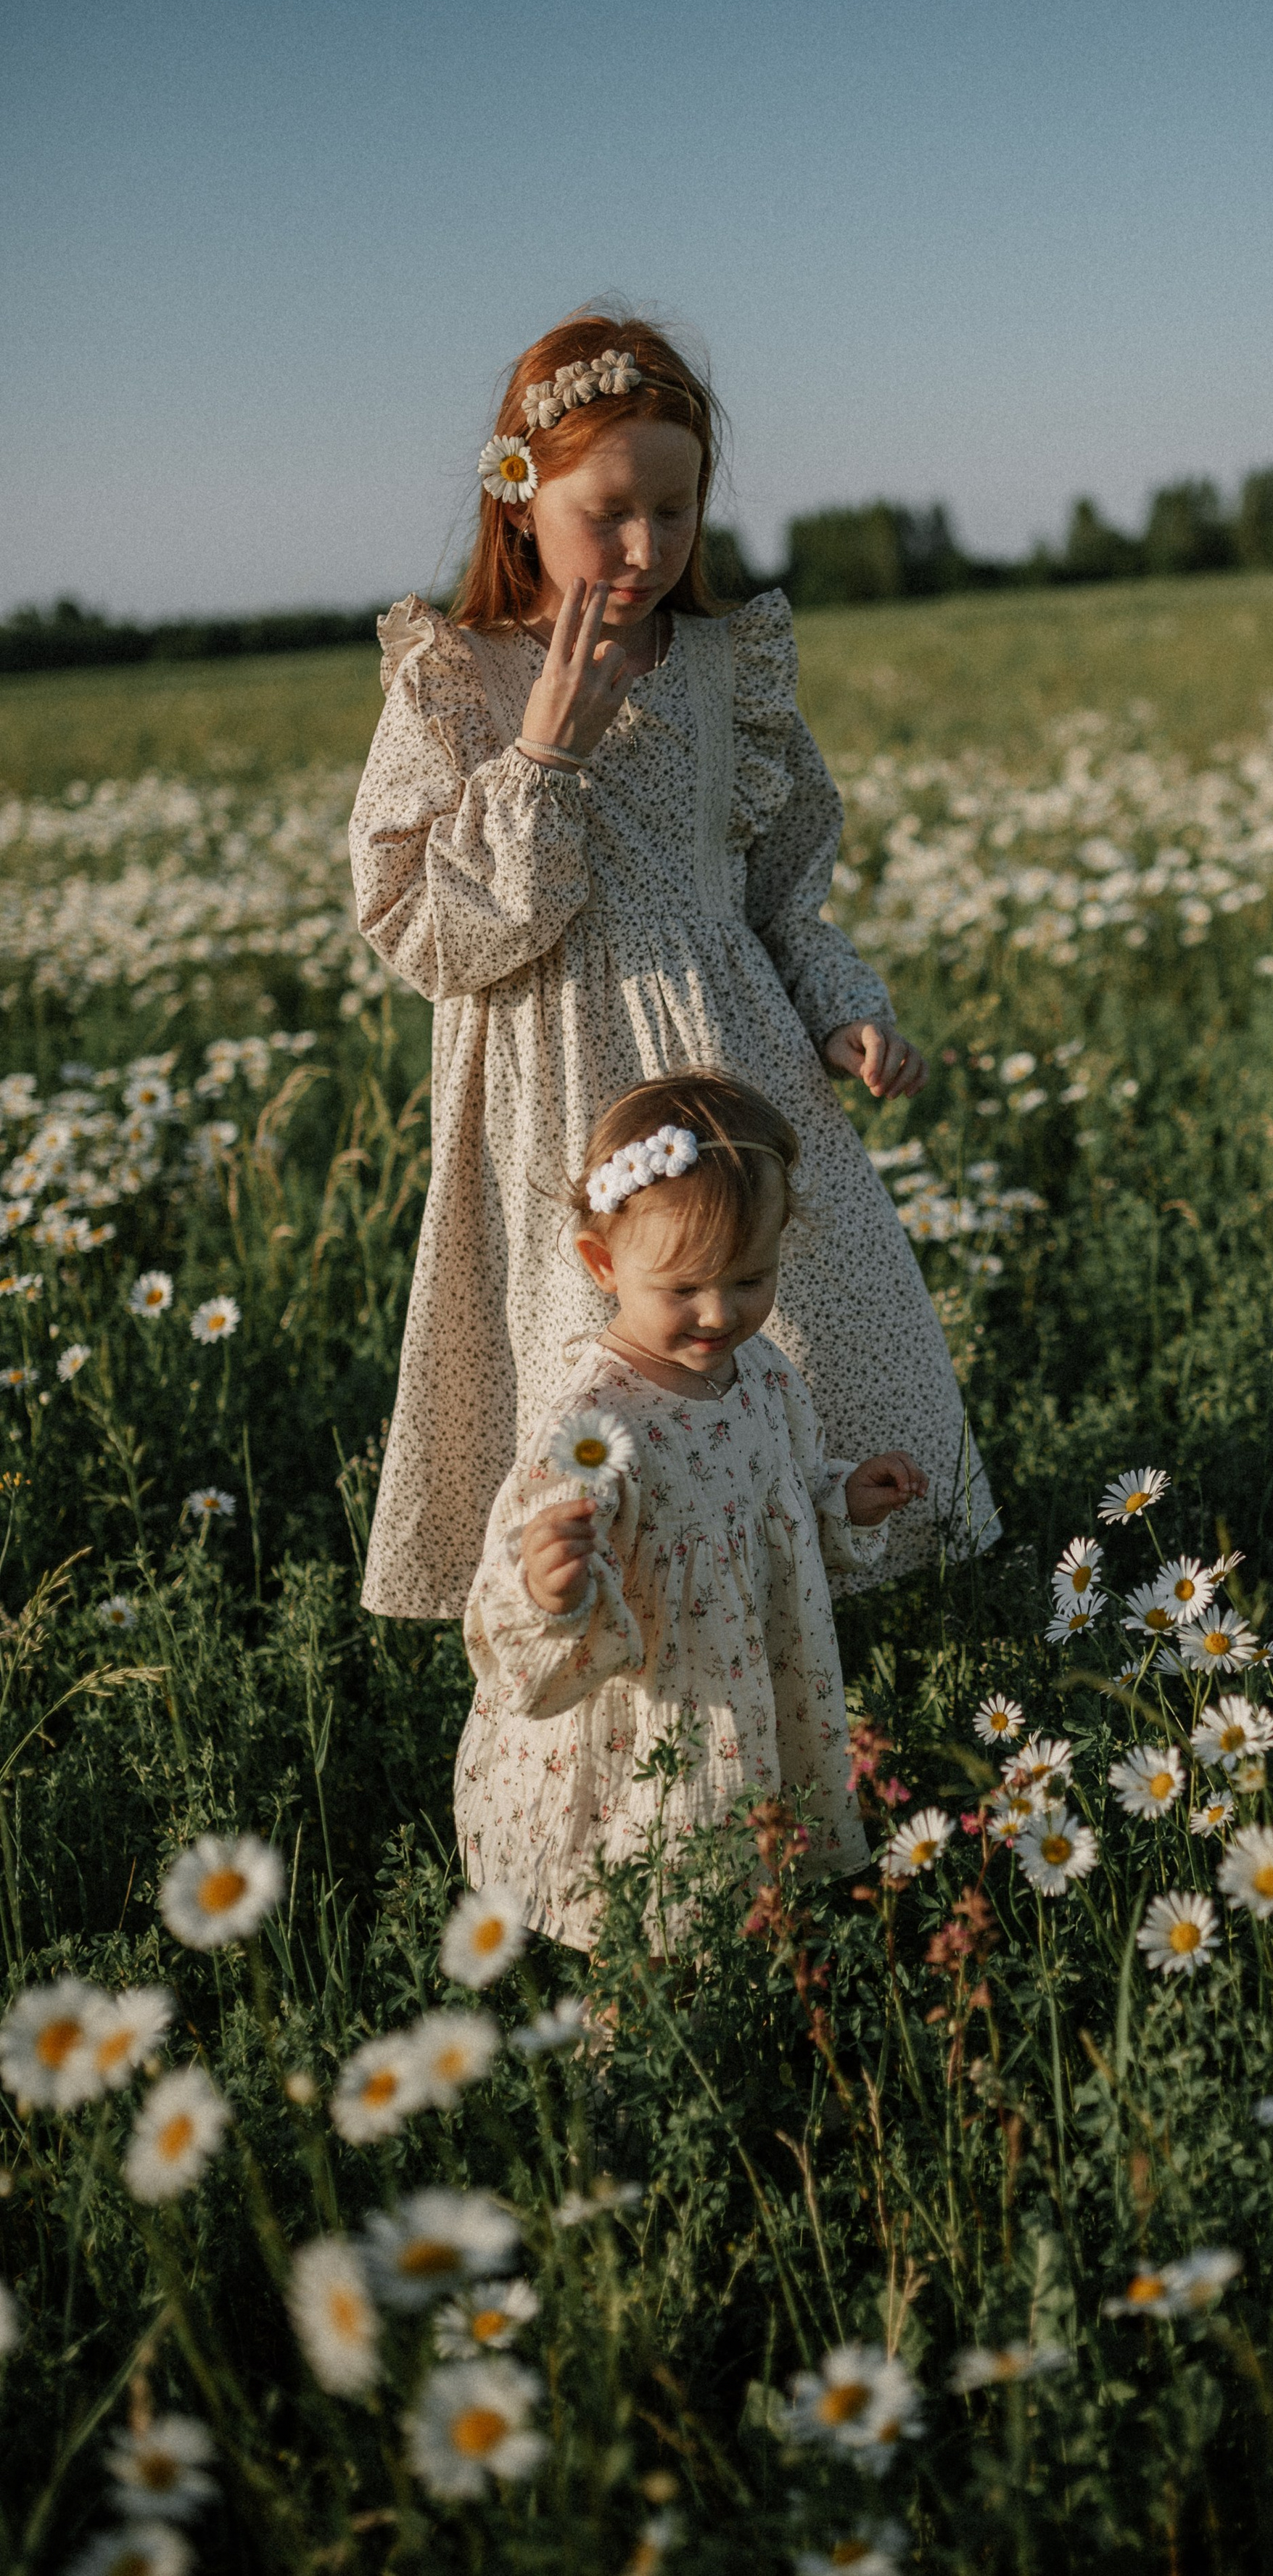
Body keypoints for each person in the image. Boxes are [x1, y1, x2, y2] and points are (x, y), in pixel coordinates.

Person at [349, 308, 997, 1618]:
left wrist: (840, 1012)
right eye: (610, 511)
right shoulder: (455, 682)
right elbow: (429, 934)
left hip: (733, 1066)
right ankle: (614, 1662)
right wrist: (541, 760)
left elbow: (780, 898)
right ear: (520, 502)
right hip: (558, 1100)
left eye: (678, 510)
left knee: (782, 1337)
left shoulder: (720, 674)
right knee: (591, 1385)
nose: (646, 548)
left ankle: (817, 1617)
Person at [456, 1069, 925, 1949]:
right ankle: (631, 2031)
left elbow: (778, 1488)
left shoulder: (764, 1375)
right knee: (660, 1875)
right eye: (684, 1288)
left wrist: (840, 1500)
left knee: (746, 1860)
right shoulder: (595, 1421)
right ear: (603, 1263)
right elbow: (516, 1569)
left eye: (752, 1278)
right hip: (662, 1709)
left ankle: (744, 1977)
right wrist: (551, 1588)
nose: (720, 1311)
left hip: (758, 1679)